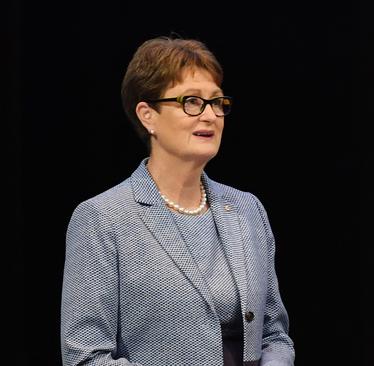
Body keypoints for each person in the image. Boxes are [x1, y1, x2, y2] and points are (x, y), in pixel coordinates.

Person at [61, 36, 295, 366]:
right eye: (192, 102)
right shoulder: (102, 218)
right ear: (147, 115)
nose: (210, 115)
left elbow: (274, 335)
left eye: (216, 102)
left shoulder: (247, 210)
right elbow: (85, 357)